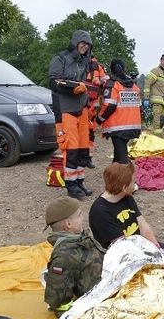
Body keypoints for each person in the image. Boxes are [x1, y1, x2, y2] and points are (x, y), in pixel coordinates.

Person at [49, 30, 94, 200]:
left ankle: (79, 181)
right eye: (83, 43)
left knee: (83, 147)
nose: (85, 47)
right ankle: (71, 185)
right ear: (75, 42)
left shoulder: (85, 61)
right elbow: (53, 82)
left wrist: (85, 88)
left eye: (88, 44)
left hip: (81, 107)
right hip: (66, 108)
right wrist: (72, 88)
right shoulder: (60, 59)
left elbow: (85, 81)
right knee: (71, 148)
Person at [43, 197, 105, 317]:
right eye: (79, 215)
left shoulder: (79, 239)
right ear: (68, 224)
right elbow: (59, 302)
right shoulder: (63, 257)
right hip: (98, 299)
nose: (82, 218)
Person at [96, 59, 142, 164]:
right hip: (133, 125)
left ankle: (126, 178)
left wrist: (99, 119)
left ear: (112, 70)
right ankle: (114, 177)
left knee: (122, 159)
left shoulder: (113, 85)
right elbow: (140, 107)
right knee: (118, 155)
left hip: (117, 127)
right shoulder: (134, 86)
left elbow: (109, 106)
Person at [84, 57, 109, 169]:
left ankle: (87, 158)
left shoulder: (98, 66)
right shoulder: (98, 66)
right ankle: (86, 158)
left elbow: (105, 82)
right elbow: (105, 82)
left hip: (87, 102)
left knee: (88, 132)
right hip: (87, 102)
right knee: (89, 132)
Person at [143, 54, 164, 135]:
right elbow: (147, 84)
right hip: (156, 101)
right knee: (157, 121)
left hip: (163, 102)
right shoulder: (155, 71)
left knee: (161, 121)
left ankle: (159, 139)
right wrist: (146, 98)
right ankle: (156, 140)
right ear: (161, 61)